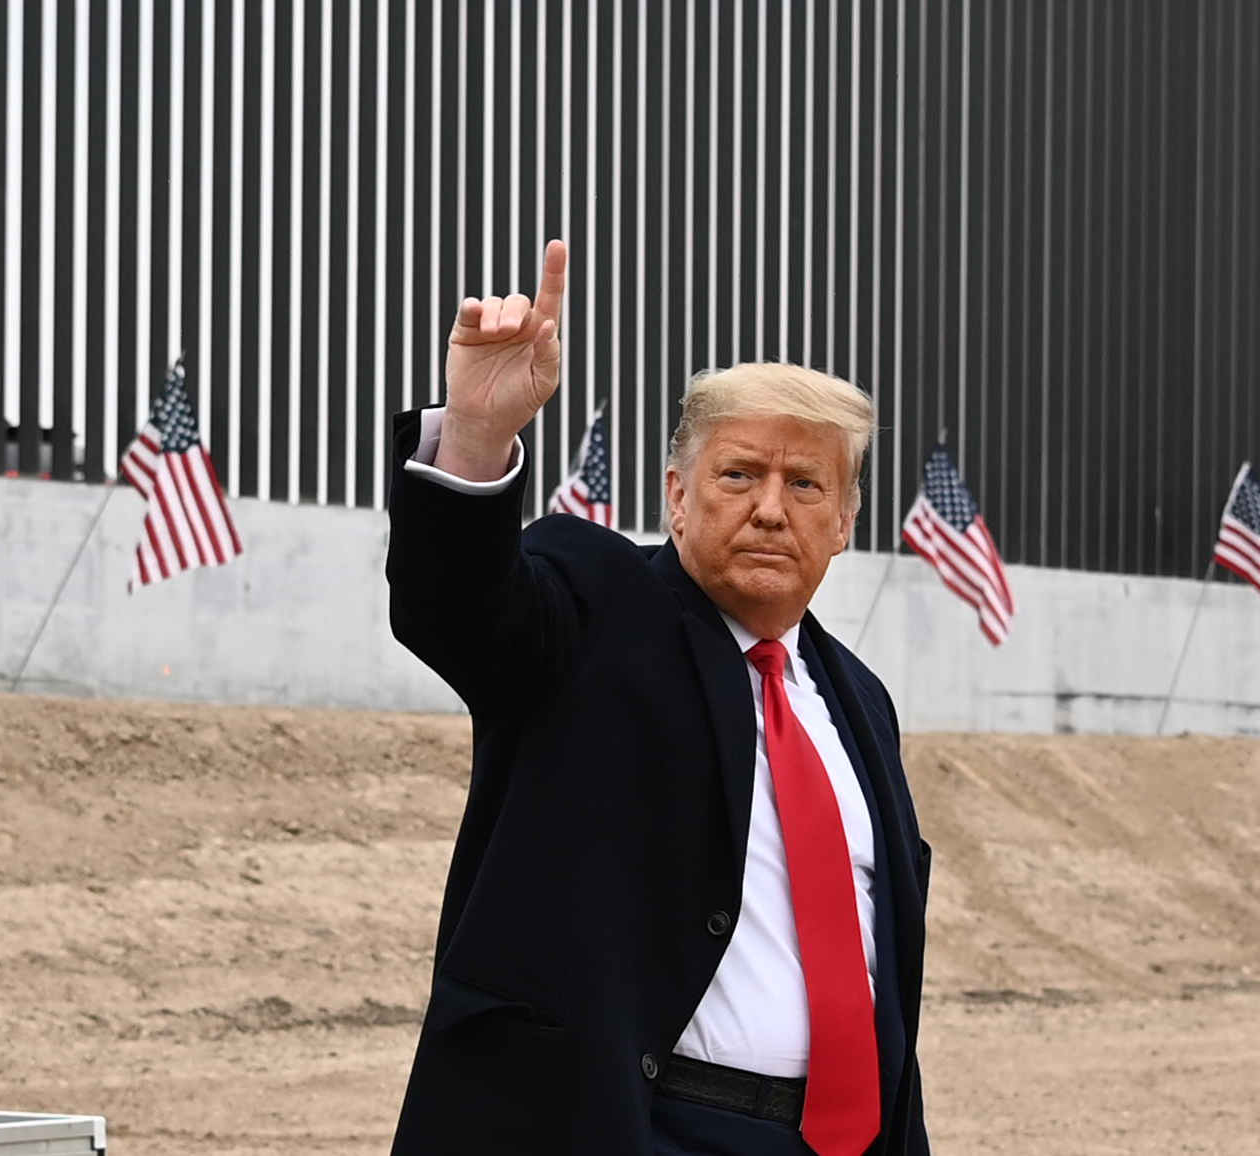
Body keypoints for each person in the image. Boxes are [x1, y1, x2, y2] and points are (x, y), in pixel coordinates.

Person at [387, 240, 930, 1156]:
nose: (769, 509)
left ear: (842, 522)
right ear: (676, 496)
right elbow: (458, 611)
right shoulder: (594, 606)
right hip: (627, 1128)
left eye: (804, 485)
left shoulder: (858, 702)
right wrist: (478, 436)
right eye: (737, 475)